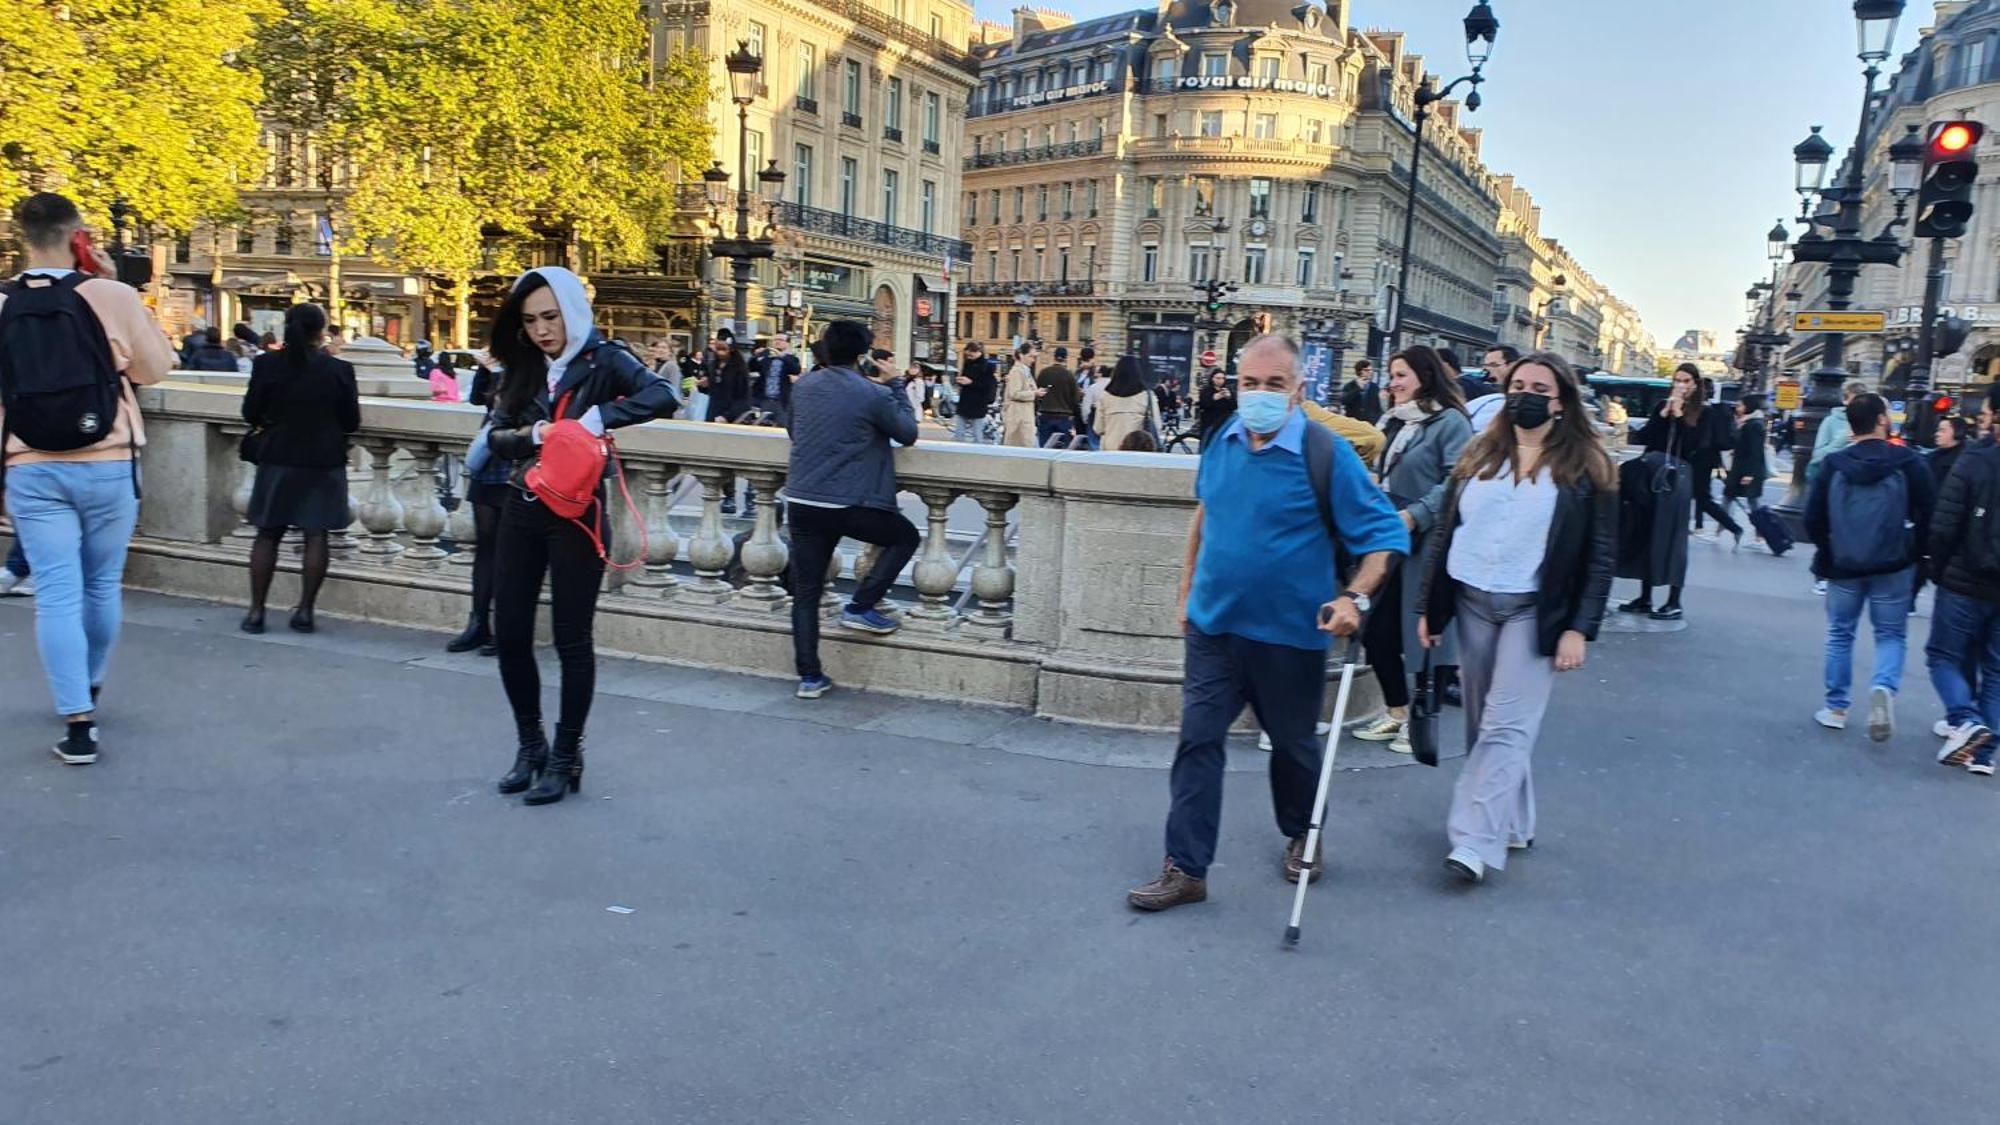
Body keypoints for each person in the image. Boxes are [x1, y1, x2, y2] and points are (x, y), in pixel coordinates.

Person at [1126, 335, 1407, 911]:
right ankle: (1186, 867)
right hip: (1215, 628)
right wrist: (1186, 593)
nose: (1259, 394)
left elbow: (1384, 535)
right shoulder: (1221, 441)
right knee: (1198, 743)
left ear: (1299, 390)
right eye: (1250, 383)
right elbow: (1205, 516)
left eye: (1274, 384)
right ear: (1235, 384)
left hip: (1289, 635)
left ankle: (1303, 832)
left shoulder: (1326, 454)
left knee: (1295, 749)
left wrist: (1355, 597)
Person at [1416, 350, 1617, 884]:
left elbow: (1599, 557)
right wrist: (1429, 609)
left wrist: (1579, 628)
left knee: (1505, 726)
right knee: (1489, 724)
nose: (1525, 394)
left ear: (1560, 402)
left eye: (1539, 388)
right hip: (1473, 601)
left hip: (1535, 610)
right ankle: (1515, 821)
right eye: (1518, 384)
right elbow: (1446, 533)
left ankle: (1473, 841)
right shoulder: (1481, 453)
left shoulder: (1585, 467)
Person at [484, 266, 674, 805]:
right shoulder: (523, 366)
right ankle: (530, 747)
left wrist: (597, 419)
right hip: (522, 504)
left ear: (571, 311)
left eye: (551, 316)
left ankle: (567, 756)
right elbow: (496, 437)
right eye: (531, 321)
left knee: (572, 639)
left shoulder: (605, 358)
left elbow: (663, 395)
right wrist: (534, 433)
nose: (543, 330)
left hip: (579, 511)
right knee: (512, 632)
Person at [1, 192, 176, 765]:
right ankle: (91, 684)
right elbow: (155, 368)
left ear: (21, 236)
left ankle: (78, 721)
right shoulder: (110, 294)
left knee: (56, 593)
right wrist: (112, 287)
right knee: (102, 584)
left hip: (31, 466)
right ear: (80, 236)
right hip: (108, 459)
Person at [782, 320, 921, 700]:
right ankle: (861, 605)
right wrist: (895, 384)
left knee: (806, 592)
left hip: (801, 499)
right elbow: (908, 432)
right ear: (863, 354)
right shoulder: (869, 394)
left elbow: (794, 430)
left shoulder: (806, 385)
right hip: (847, 502)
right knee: (905, 537)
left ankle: (809, 677)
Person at [1355, 346, 1470, 753]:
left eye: (1401, 374)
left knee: (1422, 634)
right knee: (1377, 631)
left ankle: (1420, 722)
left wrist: (1416, 514)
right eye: (1392, 375)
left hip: (1427, 542)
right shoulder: (1395, 421)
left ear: (1425, 375)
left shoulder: (1450, 422)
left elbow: (1457, 480)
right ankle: (1397, 711)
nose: (1393, 382)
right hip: (1389, 536)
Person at [1806, 392, 1933, 740]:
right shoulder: (1908, 462)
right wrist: (1917, 554)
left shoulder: (1833, 464)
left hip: (1844, 564)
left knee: (1840, 632)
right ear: (1881, 420)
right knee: (1890, 634)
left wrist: (1828, 550)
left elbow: (1813, 517)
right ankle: (1883, 687)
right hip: (1894, 564)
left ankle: (1835, 707)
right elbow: (1929, 513)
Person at [238, 303, 360, 635]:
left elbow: (250, 413)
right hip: (323, 460)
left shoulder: (266, 365)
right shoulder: (338, 369)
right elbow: (352, 421)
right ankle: (305, 611)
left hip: (278, 456)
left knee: (267, 533)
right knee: (315, 534)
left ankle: (256, 612)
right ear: (322, 332)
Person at [1926, 389, 2000, 775]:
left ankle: (1966, 721)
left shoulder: (1974, 461)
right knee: (1997, 669)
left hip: (1965, 580)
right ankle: (1984, 757)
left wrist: (1937, 569)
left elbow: (1943, 526)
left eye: (1987, 412)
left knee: (1943, 656)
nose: (1983, 418)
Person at [1619, 363, 1707, 621]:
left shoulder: (1706, 412)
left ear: (1695, 384)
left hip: (1678, 479)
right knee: (1645, 532)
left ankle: (1673, 601)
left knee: (1672, 538)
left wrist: (1680, 416)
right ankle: (1645, 597)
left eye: (1686, 381)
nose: (1680, 385)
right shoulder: (1662, 406)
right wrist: (1663, 414)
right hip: (1650, 474)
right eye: (1677, 380)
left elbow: (1695, 446)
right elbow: (1646, 437)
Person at [450, 350, 513, 656]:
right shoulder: (498, 362)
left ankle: (505, 627)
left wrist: (500, 373)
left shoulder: (537, 364)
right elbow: (478, 399)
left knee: (510, 552)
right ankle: (478, 623)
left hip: (516, 460)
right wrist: (486, 369)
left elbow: (515, 405)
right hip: (490, 460)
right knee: (485, 547)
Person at [1688, 377, 1742, 543]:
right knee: (1699, 496)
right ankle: (1698, 525)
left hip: (1698, 458)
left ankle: (1733, 527)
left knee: (1701, 497)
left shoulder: (1703, 411)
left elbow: (1699, 437)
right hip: (1708, 458)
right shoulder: (1715, 410)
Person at [1093, 355, 1162, 451]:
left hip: (1110, 451)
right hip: (1138, 451)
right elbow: (1157, 425)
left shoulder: (1105, 397)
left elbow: (1098, 428)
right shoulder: (1147, 396)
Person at [1726, 393, 1770, 523]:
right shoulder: (1749, 423)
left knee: (1752, 502)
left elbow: (1756, 450)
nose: (1737, 408)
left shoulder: (1753, 425)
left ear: (1748, 407)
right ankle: (1723, 528)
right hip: (1742, 468)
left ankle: (1763, 532)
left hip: (1746, 470)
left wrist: (1750, 474)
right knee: (1732, 497)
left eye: (1740, 405)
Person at [1035, 345, 1083, 448]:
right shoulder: (1069, 375)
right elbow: (1075, 399)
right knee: (1063, 449)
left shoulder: (1044, 373)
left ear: (1054, 357)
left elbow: (1037, 393)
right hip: (1063, 417)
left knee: (1044, 447)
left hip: (1045, 414)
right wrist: (1076, 416)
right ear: (1066, 358)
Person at [953, 341, 997, 444]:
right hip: (965, 401)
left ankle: (977, 453)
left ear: (978, 352)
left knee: (977, 434)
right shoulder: (967, 363)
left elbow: (987, 385)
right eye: (967, 354)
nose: (968, 356)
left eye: (970, 354)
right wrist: (960, 381)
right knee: (959, 433)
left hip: (978, 403)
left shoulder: (987, 366)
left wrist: (971, 382)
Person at [753, 333, 800, 426]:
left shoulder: (791, 359)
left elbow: (796, 370)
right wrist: (756, 356)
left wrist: (782, 356)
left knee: (782, 426)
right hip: (765, 400)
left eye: (781, 340)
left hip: (781, 401)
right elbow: (752, 367)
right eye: (775, 340)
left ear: (787, 343)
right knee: (762, 426)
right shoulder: (767, 359)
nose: (777, 342)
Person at [1001, 342, 1039, 447]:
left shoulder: (1026, 371)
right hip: (1018, 417)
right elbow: (1014, 393)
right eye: (1030, 356)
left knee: (1024, 446)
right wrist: (1034, 393)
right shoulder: (1017, 371)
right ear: (1021, 355)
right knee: (1019, 447)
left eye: (1034, 357)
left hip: (1023, 416)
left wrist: (1036, 392)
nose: (1033, 360)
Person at [1195, 368, 1235, 440]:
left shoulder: (1228, 390)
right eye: (1218, 378)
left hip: (1224, 424)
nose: (1220, 380)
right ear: (1212, 379)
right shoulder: (1206, 391)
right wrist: (1214, 398)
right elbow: (1203, 405)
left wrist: (1229, 397)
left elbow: (1234, 407)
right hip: (1209, 424)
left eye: (1223, 378)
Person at [1341, 359, 1383, 424]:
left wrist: (1376, 420)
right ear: (1359, 371)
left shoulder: (1374, 387)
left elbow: (1377, 407)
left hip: (1369, 424)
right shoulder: (1350, 385)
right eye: (1366, 370)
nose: (1370, 372)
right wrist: (1358, 388)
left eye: (1371, 370)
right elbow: (1344, 400)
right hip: (1353, 423)